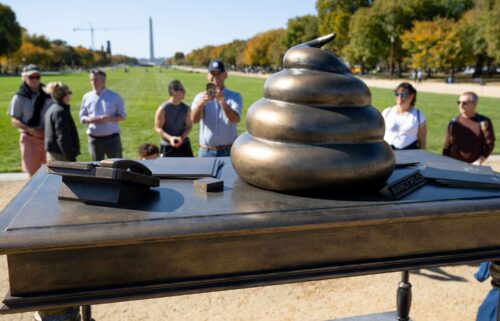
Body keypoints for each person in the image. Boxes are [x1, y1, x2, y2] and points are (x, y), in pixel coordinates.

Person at [7, 64, 52, 176]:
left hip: (47, 137)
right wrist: (31, 130)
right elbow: (14, 120)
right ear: (24, 77)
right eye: (31, 77)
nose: (35, 79)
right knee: (33, 173)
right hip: (29, 139)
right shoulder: (19, 97)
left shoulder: (48, 94)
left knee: (52, 171)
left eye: (37, 77)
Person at [191, 60, 243, 157]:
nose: (215, 77)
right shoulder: (200, 97)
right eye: (212, 74)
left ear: (225, 75)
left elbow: (235, 119)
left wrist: (222, 101)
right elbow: (194, 120)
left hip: (227, 151)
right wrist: (200, 105)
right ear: (208, 75)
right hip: (206, 151)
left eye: (219, 74)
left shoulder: (235, 96)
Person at [80, 69, 126, 161]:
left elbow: (122, 116)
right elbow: (82, 117)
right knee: (97, 167)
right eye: (91, 80)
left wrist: (108, 118)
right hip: (94, 139)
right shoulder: (86, 97)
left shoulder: (115, 96)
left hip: (112, 139)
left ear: (103, 81)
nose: (93, 82)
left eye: (96, 79)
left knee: (117, 165)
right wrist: (91, 120)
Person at [443, 92, 495, 165]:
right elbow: (447, 144)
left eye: (464, 103)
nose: (460, 105)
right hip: (453, 164)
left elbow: (489, 144)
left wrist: (479, 160)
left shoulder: (483, 122)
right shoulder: (454, 121)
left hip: (473, 166)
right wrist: (444, 162)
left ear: (474, 104)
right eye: (459, 102)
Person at [382, 82, 427, 150]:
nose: (400, 97)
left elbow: (422, 142)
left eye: (404, 94)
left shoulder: (418, 115)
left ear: (412, 96)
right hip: (386, 153)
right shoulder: (387, 112)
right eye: (397, 94)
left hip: (409, 154)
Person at [154, 80, 193, 157]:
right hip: (167, 145)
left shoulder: (186, 108)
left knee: (188, 168)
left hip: (184, 144)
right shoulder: (163, 109)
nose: (184, 92)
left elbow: (189, 126)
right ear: (173, 91)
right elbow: (158, 128)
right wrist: (170, 138)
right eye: (182, 90)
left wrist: (181, 138)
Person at [44, 82, 80, 162]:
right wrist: (70, 156)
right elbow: (62, 137)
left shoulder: (53, 108)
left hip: (55, 154)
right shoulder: (60, 112)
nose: (70, 95)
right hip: (61, 156)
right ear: (63, 95)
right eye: (69, 93)